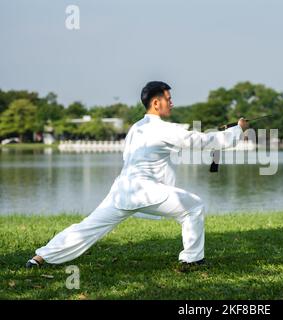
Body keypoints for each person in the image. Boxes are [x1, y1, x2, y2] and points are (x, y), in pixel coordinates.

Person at [26, 81, 248, 271]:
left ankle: (39, 258)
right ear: (155, 103)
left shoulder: (136, 127)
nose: (172, 103)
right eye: (168, 99)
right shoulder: (163, 129)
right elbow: (202, 142)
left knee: (87, 227)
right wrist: (238, 130)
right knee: (194, 207)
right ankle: (192, 259)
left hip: (122, 191)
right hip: (145, 191)